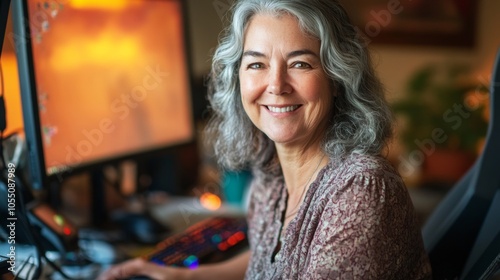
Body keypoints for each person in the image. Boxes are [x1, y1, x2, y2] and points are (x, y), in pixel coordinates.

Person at [98, 0, 432, 279]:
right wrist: (187, 275)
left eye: (300, 63)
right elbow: (273, 264)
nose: (276, 85)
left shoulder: (360, 191)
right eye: (257, 64)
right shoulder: (270, 182)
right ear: (238, 80)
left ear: (337, 78)